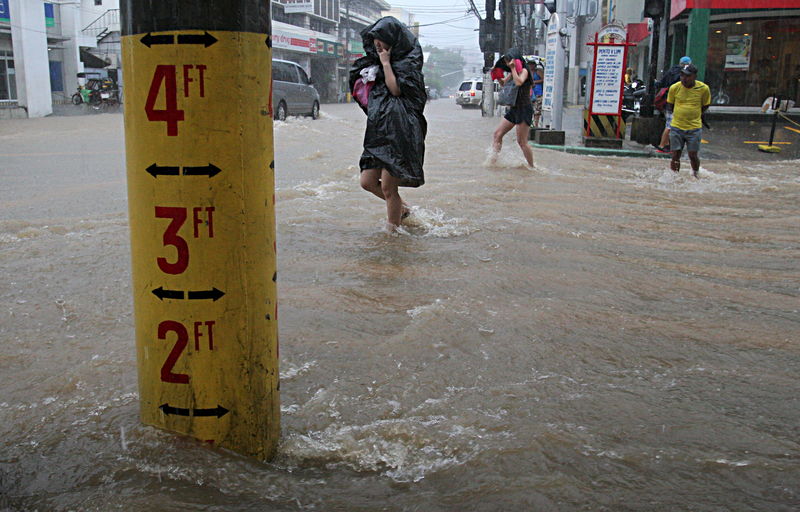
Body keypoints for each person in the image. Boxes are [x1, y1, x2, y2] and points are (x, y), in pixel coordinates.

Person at [349, 17, 427, 232]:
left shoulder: (408, 65)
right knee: (367, 181)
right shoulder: (376, 64)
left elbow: (396, 90)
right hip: (378, 132)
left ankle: (392, 233)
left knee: (389, 187)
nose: (379, 48)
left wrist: (385, 63)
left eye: (382, 44)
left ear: (393, 42)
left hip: (399, 133)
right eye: (376, 45)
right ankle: (404, 209)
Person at [490, 48, 535, 168]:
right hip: (514, 108)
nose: (508, 64)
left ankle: (532, 167)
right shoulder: (512, 72)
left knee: (522, 142)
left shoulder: (524, 71)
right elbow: (504, 83)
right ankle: (492, 162)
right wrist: (497, 76)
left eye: (509, 61)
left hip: (524, 109)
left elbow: (519, 82)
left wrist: (514, 69)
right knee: (497, 134)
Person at [666, 64, 711, 178]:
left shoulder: (703, 89)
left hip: (694, 128)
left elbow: (705, 106)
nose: (684, 78)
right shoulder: (674, 88)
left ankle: (695, 173)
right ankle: (674, 176)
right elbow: (670, 105)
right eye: (682, 75)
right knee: (675, 155)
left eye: (687, 76)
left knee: (693, 155)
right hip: (676, 126)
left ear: (694, 76)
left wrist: (693, 114)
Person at [654, 56, 692, 153]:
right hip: (674, 103)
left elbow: (660, 83)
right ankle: (662, 145)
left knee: (671, 124)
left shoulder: (671, 72)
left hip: (667, 102)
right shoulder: (682, 76)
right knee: (671, 125)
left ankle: (667, 145)